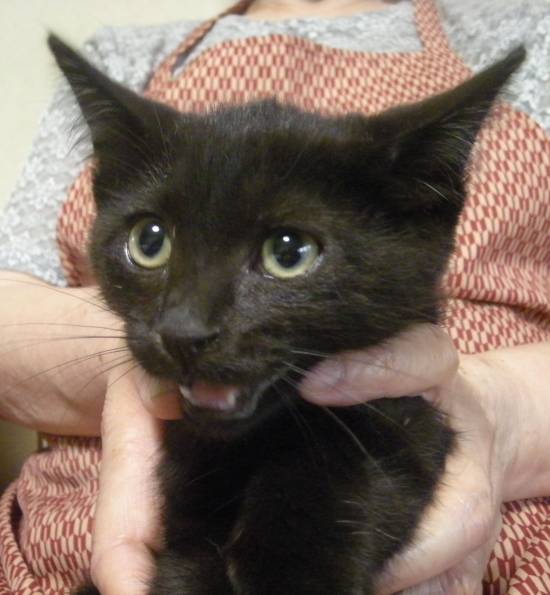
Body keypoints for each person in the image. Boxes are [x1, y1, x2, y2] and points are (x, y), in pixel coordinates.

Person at [1, 0, 549, 593]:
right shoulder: (129, 53)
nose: (185, 326)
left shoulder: (525, 25)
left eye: (288, 252)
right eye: (151, 243)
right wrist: (128, 375)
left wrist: (495, 412)